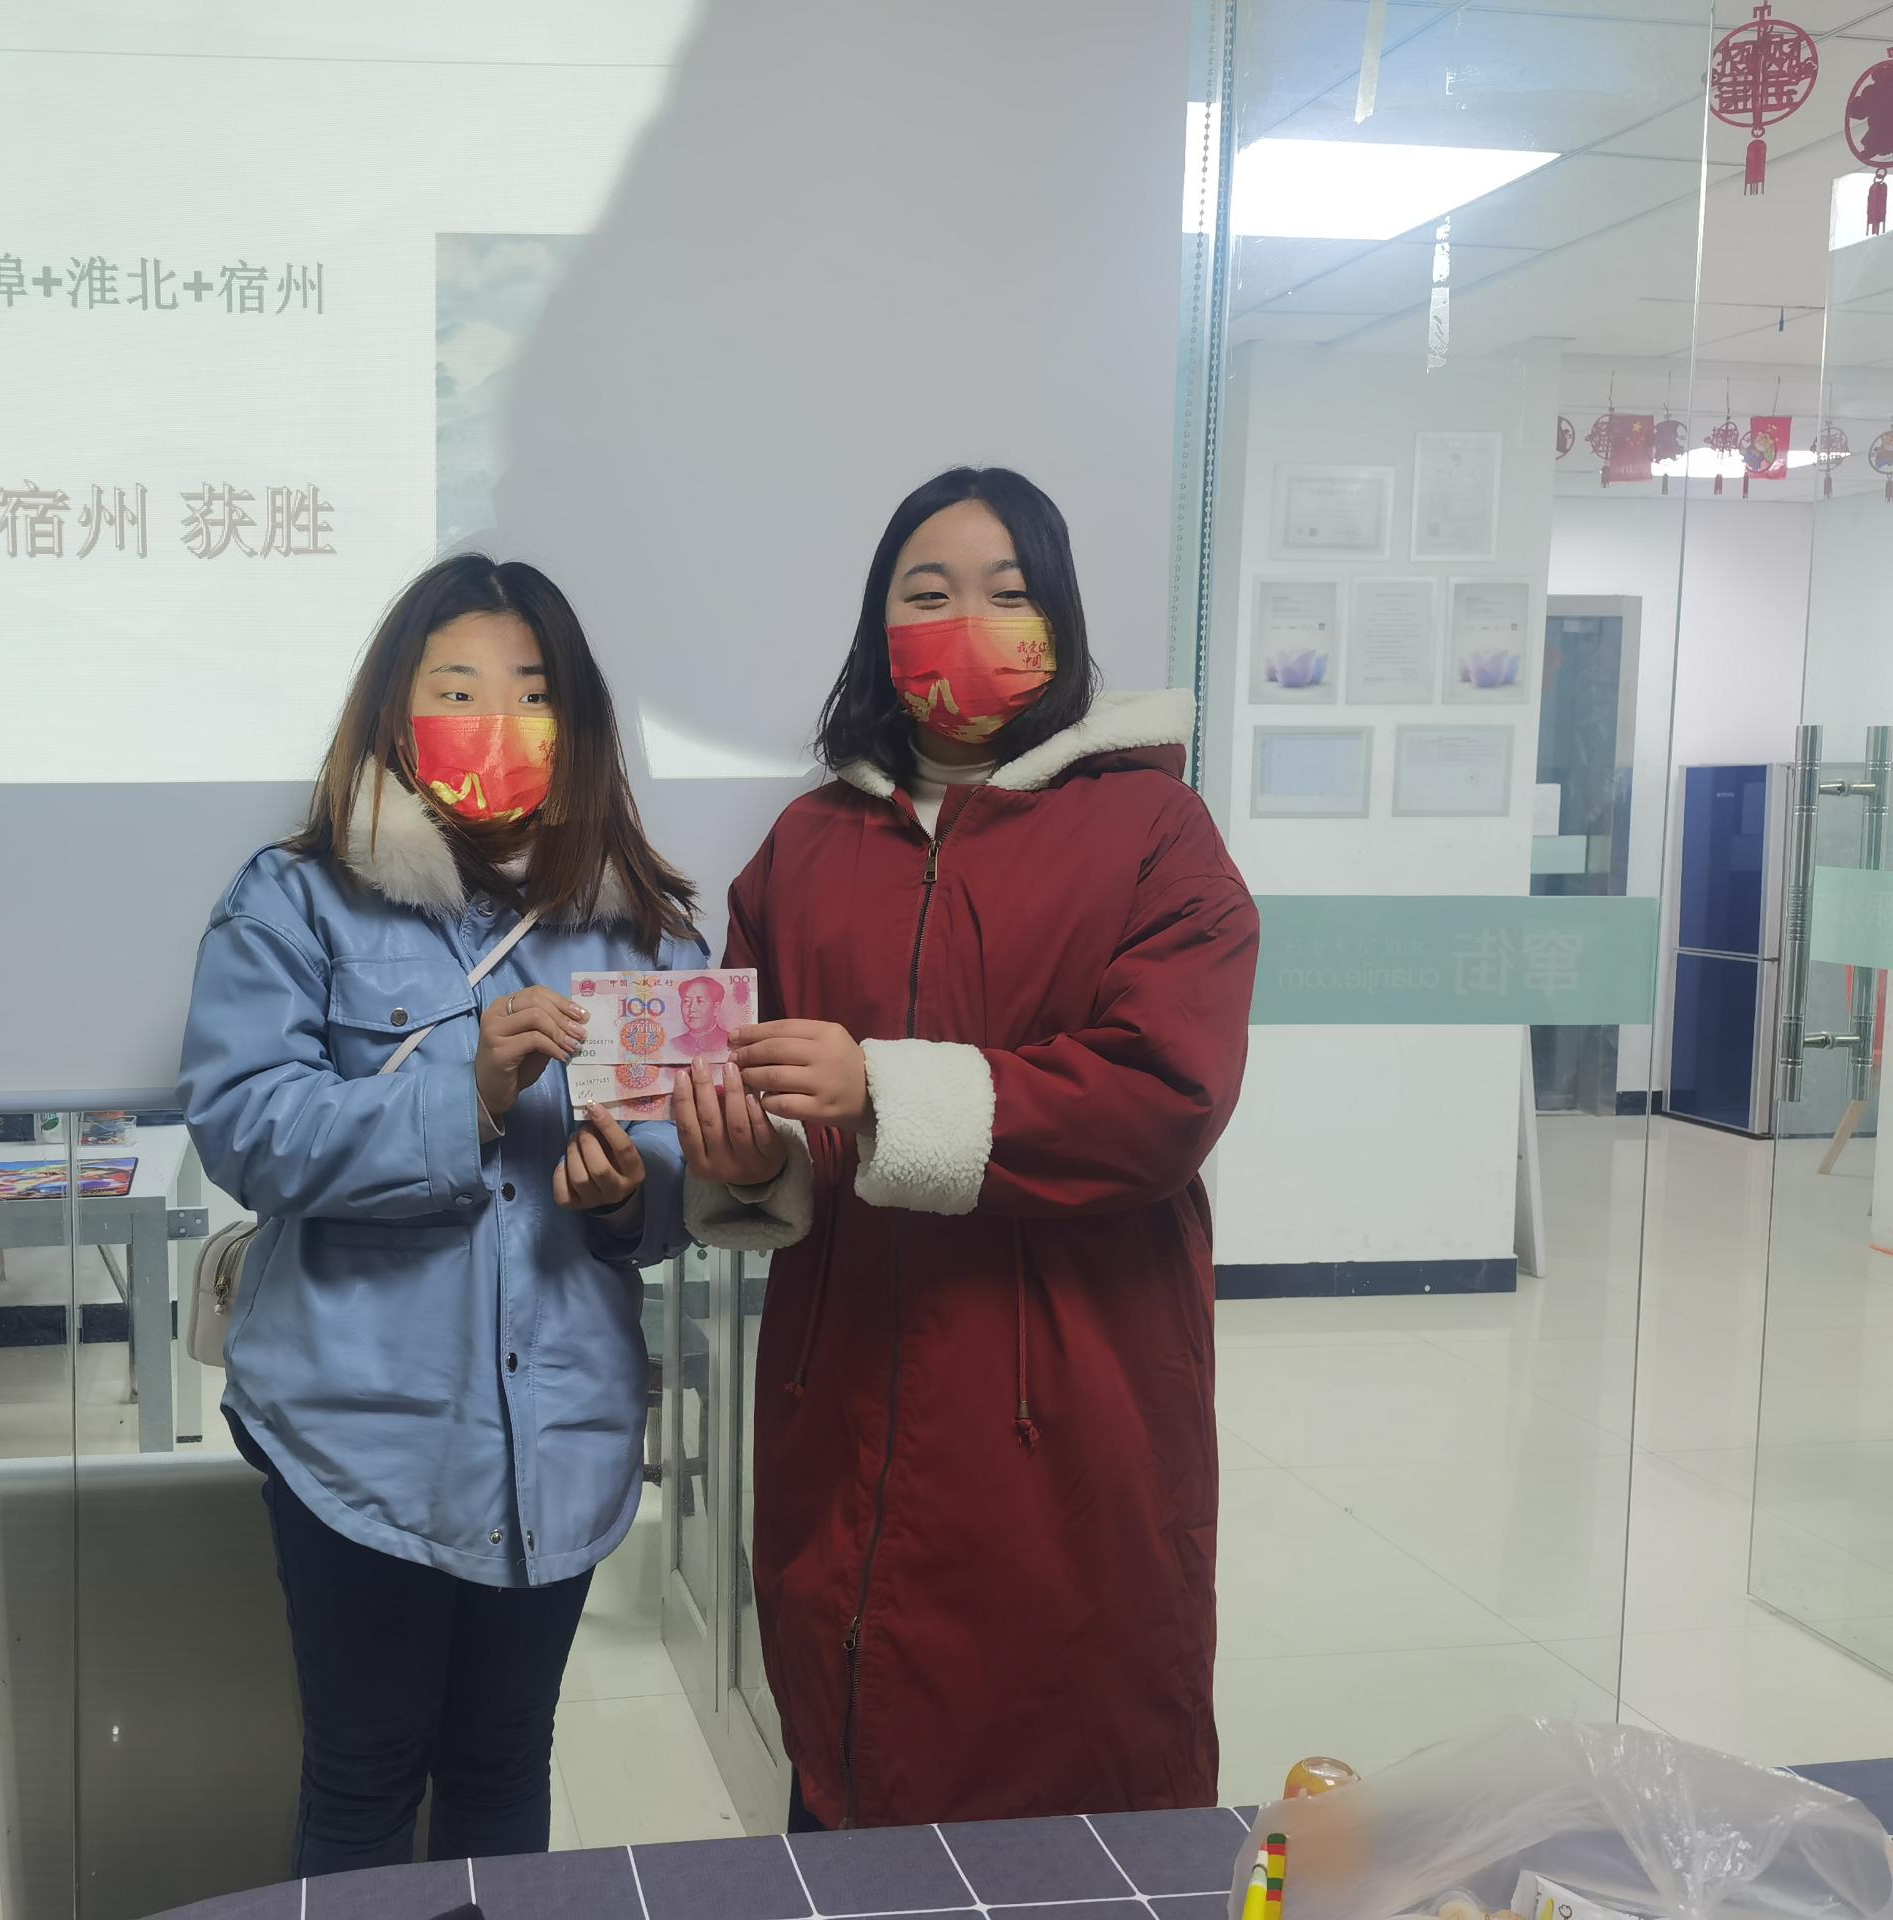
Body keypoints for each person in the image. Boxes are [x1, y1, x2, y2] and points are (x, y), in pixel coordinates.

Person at [674, 466, 1260, 1830]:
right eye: (926, 596)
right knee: (850, 1743)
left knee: (1075, 1761)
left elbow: (1165, 1092)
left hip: (1071, 1400)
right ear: (878, 631)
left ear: (1060, 621)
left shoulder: (1153, 832)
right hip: (843, 1386)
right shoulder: (804, 846)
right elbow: (771, 1101)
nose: (966, 626)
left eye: (1008, 593)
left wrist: (880, 1088)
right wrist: (752, 1158)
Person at [179, 554, 705, 1871]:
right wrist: (462, 1092)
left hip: (564, 1434)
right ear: (394, 714)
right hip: (358, 1438)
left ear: (580, 723)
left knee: (503, 1764)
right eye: (458, 691)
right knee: (363, 1776)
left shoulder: (642, 929)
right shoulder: (292, 898)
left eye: (532, 694)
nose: (497, 723)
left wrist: (635, 1194)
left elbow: (677, 1181)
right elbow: (244, 1127)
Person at [673, 973, 734, 1059]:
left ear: (716, 1008)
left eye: (700, 1001)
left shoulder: (731, 1042)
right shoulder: (674, 1044)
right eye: (686, 1001)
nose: (692, 1008)